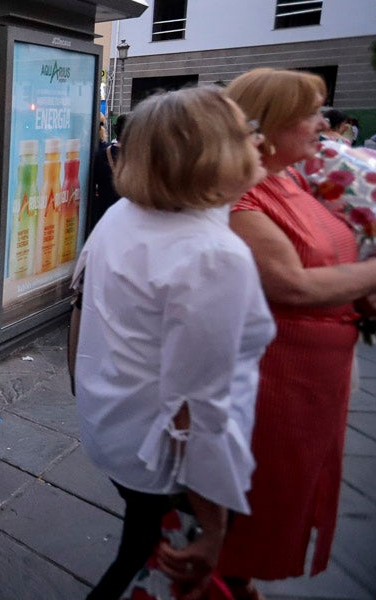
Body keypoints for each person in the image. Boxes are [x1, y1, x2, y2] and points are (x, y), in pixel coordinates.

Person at [73, 86, 275, 600]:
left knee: (138, 545)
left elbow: (82, 310)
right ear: (215, 152)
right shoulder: (214, 254)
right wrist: (214, 528)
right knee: (144, 565)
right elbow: (197, 406)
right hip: (159, 455)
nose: (259, 141)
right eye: (247, 132)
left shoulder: (126, 214)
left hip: (118, 428)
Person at [219, 68, 376, 598]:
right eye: (310, 113)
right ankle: (225, 578)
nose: (324, 123)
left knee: (287, 489)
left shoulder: (294, 178)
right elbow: (291, 285)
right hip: (275, 376)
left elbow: (332, 257)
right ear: (266, 127)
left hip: (317, 374)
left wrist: (361, 292)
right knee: (261, 491)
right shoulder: (243, 198)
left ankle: (237, 580)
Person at [86, 113, 127, 236]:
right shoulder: (139, 157)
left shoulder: (102, 153)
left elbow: (94, 183)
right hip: (126, 216)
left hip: (104, 212)